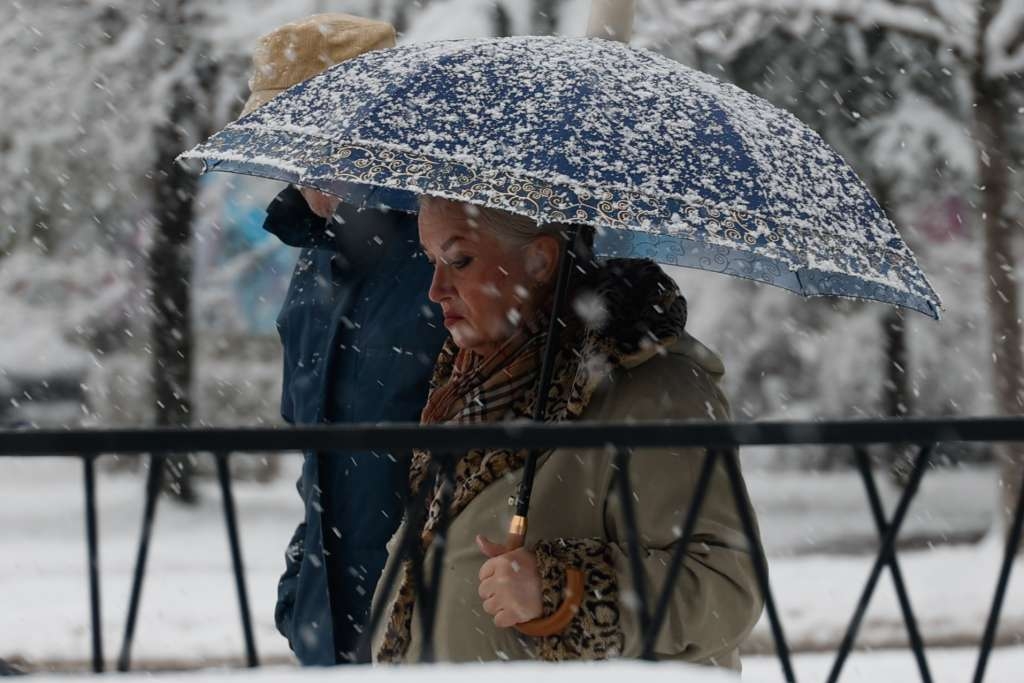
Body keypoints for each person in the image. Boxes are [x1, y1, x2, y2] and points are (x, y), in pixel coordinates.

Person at [371, 197, 765, 669]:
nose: (436, 289)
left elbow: (725, 589)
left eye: (459, 260)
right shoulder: (471, 390)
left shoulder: (655, 390)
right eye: (431, 260)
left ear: (539, 260)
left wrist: (564, 591)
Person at [245, 15, 448, 665]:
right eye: (285, 129)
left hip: (426, 616)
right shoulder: (313, 261)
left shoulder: (447, 253)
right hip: (330, 627)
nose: (297, 153)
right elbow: (315, 449)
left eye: (316, 126)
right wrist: (300, 581)